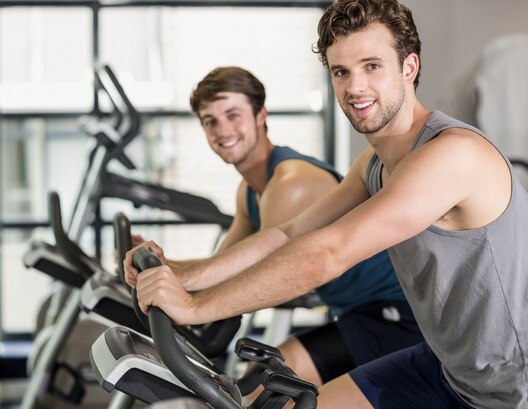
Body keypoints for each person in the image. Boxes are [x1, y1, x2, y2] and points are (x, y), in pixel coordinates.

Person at [124, 1, 528, 409]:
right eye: (341, 71)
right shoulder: (374, 162)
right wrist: (183, 274)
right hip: (452, 367)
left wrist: (194, 307)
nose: (356, 87)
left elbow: (328, 252)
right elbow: (289, 234)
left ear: (409, 67)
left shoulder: (453, 154)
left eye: (372, 65)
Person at [129, 65, 423, 388]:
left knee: (266, 388)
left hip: (399, 316)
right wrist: (165, 268)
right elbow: (224, 263)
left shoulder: (290, 182)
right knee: (261, 385)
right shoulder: (250, 190)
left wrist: (189, 301)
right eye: (210, 121)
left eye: (233, 115)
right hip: (359, 313)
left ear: (260, 115)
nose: (222, 130)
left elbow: (266, 272)